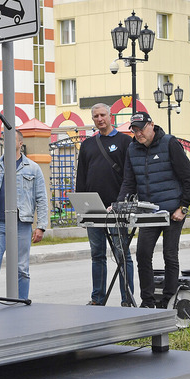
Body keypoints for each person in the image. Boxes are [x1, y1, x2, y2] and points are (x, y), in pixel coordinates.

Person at [117, 111, 190, 309]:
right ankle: (148, 302)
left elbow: (189, 178)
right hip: (149, 213)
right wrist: (118, 204)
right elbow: (129, 182)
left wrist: (183, 207)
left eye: (141, 129)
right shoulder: (132, 149)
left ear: (151, 125)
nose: (138, 134)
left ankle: (169, 302)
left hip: (172, 212)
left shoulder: (170, 143)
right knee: (143, 254)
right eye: (134, 130)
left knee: (170, 255)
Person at [0, 129, 48, 300]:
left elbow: (42, 199)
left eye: (10, 138)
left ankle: (20, 304)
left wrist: (41, 226)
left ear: (20, 143)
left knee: (21, 268)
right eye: (3, 138)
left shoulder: (33, 168)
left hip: (21, 224)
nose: (5, 141)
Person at [74, 103, 134, 305]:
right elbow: (81, 177)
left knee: (122, 255)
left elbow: (129, 176)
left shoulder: (125, 141)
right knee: (97, 255)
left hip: (116, 209)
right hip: (93, 210)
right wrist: (81, 209)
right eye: (95, 116)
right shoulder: (88, 145)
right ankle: (97, 299)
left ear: (111, 117)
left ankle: (128, 299)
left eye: (103, 115)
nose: (99, 119)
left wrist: (122, 203)